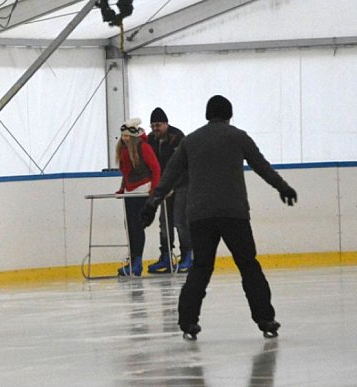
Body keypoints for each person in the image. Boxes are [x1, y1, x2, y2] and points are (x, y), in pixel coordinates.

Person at [140, 95, 297, 340]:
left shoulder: (191, 141)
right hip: (233, 212)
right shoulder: (238, 136)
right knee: (248, 265)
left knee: (201, 268)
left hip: (200, 215)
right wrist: (283, 187)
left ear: (207, 115)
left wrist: (152, 203)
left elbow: (170, 174)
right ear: (229, 115)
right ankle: (265, 318)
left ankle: (187, 322)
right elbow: (261, 166)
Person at [145, 107, 193, 274]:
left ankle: (188, 255)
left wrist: (172, 186)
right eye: (152, 126)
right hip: (164, 186)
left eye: (158, 125)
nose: (155, 129)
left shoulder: (177, 137)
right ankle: (165, 255)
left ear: (166, 123)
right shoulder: (151, 139)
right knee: (164, 223)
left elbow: (184, 164)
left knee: (180, 220)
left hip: (182, 184)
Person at [114, 117, 161, 277]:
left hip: (142, 189)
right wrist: (122, 188)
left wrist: (154, 190)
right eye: (123, 135)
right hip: (130, 190)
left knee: (137, 226)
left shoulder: (144, 147)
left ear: (133, 136)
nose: (124, 138)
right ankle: (134, 260)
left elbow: (155, 168)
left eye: (127, 136)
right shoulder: (123, 150)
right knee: (131, 226)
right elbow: (126, 173)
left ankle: (137, 262)